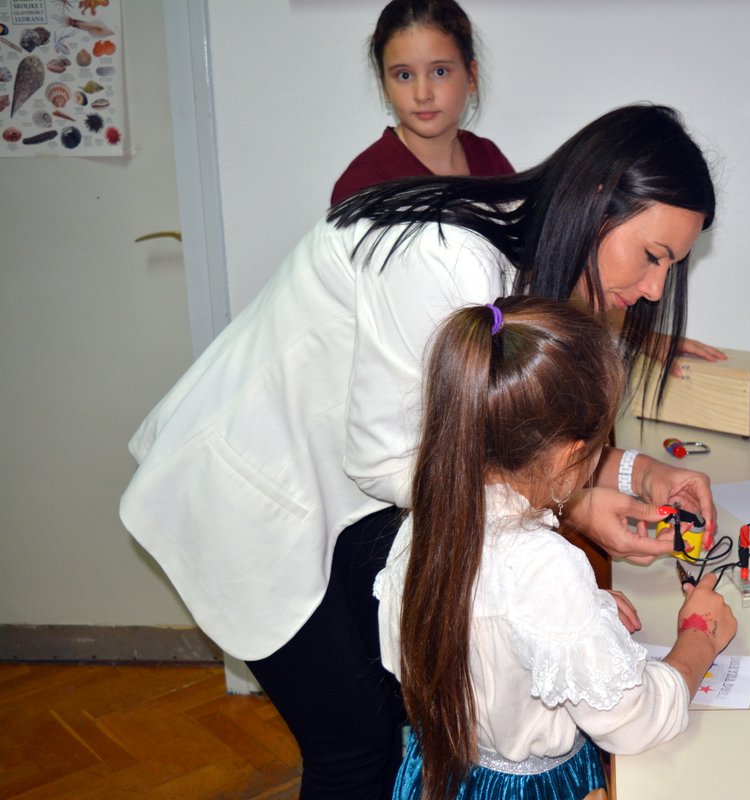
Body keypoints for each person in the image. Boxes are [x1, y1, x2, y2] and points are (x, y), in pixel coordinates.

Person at [119, 103, 718, 800]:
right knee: (354, 744)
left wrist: (635, 472)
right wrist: (575, 509)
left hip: (343, 499)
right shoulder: (446, 259)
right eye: (653, 256)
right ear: (598, 198)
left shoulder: (514, 255)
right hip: (249, 494)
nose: (654, 290)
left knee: (400, 707)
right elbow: (400, 459)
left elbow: (504, 431)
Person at [375, 297, 737, 800]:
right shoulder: (546, 567)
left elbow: (480, 632)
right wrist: (699, 638)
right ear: (571, 456)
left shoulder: (423, 526)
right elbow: (633, 722)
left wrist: (580, 618)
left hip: (438, 773)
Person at [331, 0, 514, 206]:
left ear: (471, 77)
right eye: (404, 75)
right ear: (384, 86)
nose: (422, 94)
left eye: (440, 72)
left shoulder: (489, 159)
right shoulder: (363, 184)